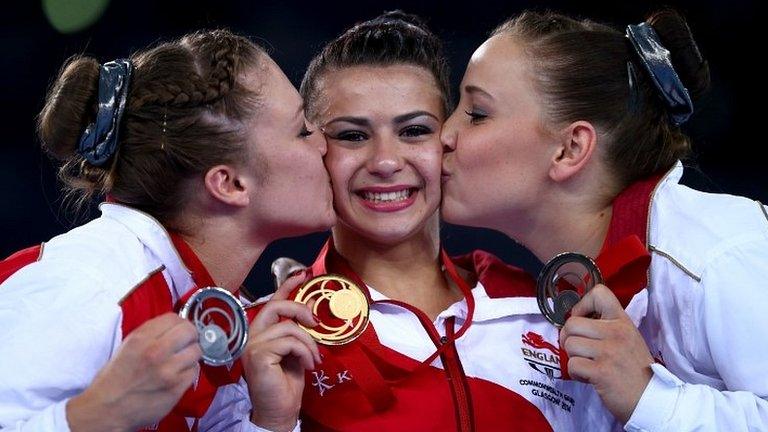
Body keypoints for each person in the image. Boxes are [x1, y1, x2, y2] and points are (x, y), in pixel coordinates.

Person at [245, 11, 619, 431]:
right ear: (315, 150)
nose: (386, 161)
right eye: (352, 135)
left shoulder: (542, 313)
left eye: (414, 131)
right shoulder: (271, 340)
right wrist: (270, 423)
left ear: (448, 142)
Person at [440, 9, 768, 431]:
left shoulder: (720, 254)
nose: (445, 135)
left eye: (477, 113)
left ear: (570, 149)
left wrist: (649, 398)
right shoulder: (582, 282)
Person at [0, 29, 334, 431]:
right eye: (302, 130)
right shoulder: (87, 283)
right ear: (229, 184)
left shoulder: (217, 306)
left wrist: (270, 421)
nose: (324, 142)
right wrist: (96, 416)